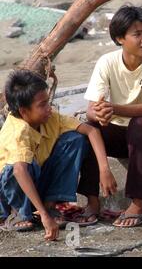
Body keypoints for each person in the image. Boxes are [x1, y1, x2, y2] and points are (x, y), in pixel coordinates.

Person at [77, 5, 142, 228]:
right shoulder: (107, 62)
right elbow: (91, 108)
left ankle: (138, 203)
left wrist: (112, 108)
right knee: (89, 129)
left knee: (138, 124)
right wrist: (100, 112)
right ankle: (93, 200)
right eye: (138, 34)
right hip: (120, 133)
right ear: (120, 38)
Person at [0, 70, 111, 240]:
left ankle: (50, 204)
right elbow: (19, 171)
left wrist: (105, 170)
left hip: (35, 182)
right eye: (42, 105)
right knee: (18, 166)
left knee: (76, 139)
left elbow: (91, 131)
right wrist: (43, 216)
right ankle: (19, 212)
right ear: (24, 112)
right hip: (9, 191)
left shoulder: (51, 119)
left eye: (48, 102)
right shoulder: (17, 131)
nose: (49, 109)